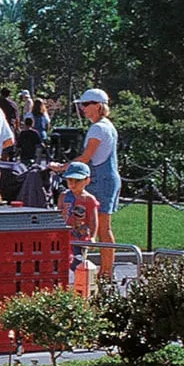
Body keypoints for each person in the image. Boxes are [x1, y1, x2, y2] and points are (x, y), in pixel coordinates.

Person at [53, 88, 120, 275]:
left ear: (98, 106)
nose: (82, 108)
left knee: (102, 227)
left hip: (101, 179)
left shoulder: (98, 128)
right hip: (107, 177)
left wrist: (61, 167)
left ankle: (105, 272)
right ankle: (105, 270)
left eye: (86, 104)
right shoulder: (107, 125)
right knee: (104, 227)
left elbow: (85, 157)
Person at [58, 162, 100, 269]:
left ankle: (79, 283)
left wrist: (92, 237)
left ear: (87, 180)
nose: (73, 184)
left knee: (78, 264)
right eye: (70, 180)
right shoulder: (63, 196)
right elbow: (58, 214)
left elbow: (93, 219)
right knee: (61, 263)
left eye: (77, 180)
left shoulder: (89, 199)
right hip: (65, 236)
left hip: (80, 238)